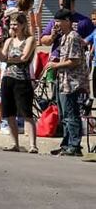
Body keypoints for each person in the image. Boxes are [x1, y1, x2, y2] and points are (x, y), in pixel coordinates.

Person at [46, 9, 89, 157]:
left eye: (58, 21)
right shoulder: (63, 37)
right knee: (64, 115)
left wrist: (55, 65)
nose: (56, 24)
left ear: (67, 21)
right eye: (55, 21)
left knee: (72, 114)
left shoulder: (73, 37)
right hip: (63, 81)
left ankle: (75, 146)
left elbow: (74, 61)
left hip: (72, 83)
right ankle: (66, 144)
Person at [0, 12, 38, 154]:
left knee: (26, 113)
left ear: (23, 25)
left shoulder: (30, 39)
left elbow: (24, 57)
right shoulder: (8, 41)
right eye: (11, 24)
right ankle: (15, 143)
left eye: (16, 24)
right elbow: (2, 57)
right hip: (8, 78)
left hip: (22, 79)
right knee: (10, 113)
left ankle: (33, 145)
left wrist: (9, 58)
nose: (13, 27)